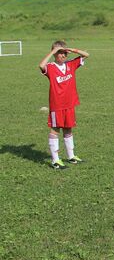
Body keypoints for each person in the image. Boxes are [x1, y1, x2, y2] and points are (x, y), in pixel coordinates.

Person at [38, 40, 90, 169]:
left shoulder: (71, 64)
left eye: (64, 53)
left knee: (68, 129)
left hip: (69, 103)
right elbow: (41, 65)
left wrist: (72, 50)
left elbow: (86, 54)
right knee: (55, 130)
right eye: (59, 53)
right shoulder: (50, 67)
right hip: (57, 105)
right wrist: (53, 51)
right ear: (55, 54)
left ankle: (71, 156)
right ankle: (55, 160)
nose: (62, 55)